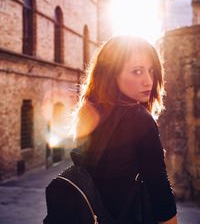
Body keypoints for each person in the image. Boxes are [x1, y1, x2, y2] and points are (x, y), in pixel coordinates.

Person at [45, 35, 178, 224]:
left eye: (151, 71)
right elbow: (159, 188)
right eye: (137, 71)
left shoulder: (88, 113)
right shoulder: (140, 119)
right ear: (111, 74)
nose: (149, 81)